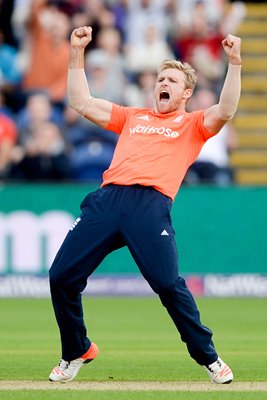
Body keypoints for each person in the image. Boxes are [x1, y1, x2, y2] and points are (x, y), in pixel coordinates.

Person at [49, 26, 241, 384]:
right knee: (61, 277)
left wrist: (234, 62)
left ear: (186, 93)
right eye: (159, 79)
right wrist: (76, 53)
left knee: (168, 284)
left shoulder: (192, 124)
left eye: (170, 80)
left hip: (150, 206)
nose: (162, 84)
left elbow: (227, 109)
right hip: (108, 200)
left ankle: (209, 357)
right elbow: (81, 102)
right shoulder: (132, 117)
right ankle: (76, 348)